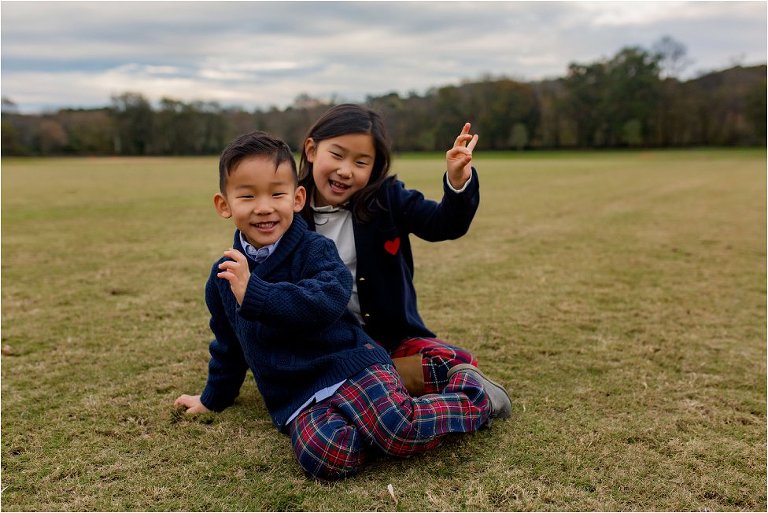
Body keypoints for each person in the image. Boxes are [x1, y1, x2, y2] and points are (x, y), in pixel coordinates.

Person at [174, 130, 511, 479]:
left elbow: (327, 302)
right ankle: (378, 417)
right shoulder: (224, 277)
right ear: (224, 205)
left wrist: (256, 293)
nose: (264, 207)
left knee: (396, 427)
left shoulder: (314, 249)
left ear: (297, 198)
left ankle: (475, 397)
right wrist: (211, 398)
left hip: (350, 363)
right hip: (299, 395)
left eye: (277, 194)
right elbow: (229, 347)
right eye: (247, 196)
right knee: (328, 457)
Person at [299, 104, 493, 396]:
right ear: (312, 150)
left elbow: (444, 225)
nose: (345, 171)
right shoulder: (288, 209)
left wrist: (457, 181)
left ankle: (369, 380)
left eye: (361, 162)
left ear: (374, 167)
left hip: (391, 340)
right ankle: (374, 381)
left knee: (458, 363)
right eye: (337, 155)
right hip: (326, 344)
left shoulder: (388, 199)